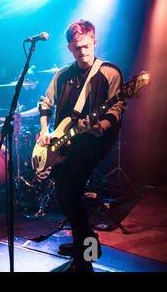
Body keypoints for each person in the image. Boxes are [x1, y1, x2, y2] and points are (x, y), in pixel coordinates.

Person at [37, 20, 125, 271]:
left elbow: (117, 109)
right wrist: (45, 131)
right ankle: (85, 241)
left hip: (93, 143)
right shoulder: (63, 75)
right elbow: (45, 103)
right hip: (65, 144)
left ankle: (85, 257)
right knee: (63, 196)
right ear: (69, 48)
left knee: (70, 193)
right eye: (77, 48)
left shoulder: (110, 72)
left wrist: (98, 128)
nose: (82, 52)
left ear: (94, 42)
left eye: (86, 46)